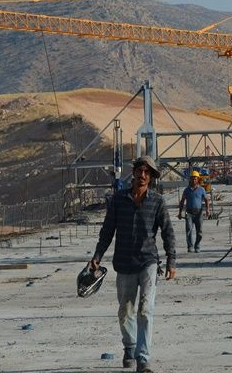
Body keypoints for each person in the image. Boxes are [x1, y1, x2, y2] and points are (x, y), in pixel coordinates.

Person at [90, 155, 177, 373]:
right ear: (134, 172)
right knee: (125, 311)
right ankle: (129, 347)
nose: (143, 175)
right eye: (140, 170)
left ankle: (143, 358)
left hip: (148, 262)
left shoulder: (157, 201)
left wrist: (171, 260)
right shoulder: (118, 200)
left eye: (147, 172)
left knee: (145, 310)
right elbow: (107, 231)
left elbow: (168, 232)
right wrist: (98, 255)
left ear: (152, 177)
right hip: (124, 263)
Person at [177, 171, 210, 253]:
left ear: (198, 179)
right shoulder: (186, 190)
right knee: (188, 230)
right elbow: (182, 201)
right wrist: (180, 212)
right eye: (192, 179)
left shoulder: (201, 189)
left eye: (195, 179)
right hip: (189, 213)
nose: (194, 180)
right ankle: (190, 246)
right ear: (190, 179)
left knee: (200, 232)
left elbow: (206, 200)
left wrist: (207, 210)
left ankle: (197, 246)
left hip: (199, 213)